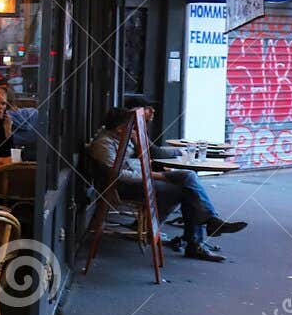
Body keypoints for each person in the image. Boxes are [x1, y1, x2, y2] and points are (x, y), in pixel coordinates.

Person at [89, 107, 246, 262]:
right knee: (186, 190)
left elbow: (149, 154)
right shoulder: (104, 144)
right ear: (120, 129)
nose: (135, 129)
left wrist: (138, 143)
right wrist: (158, 175)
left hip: (140, 178)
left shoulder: (123, 138)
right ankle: (200, 237)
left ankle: (207, 226)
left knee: (189, 177)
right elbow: (120, 175)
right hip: (125, 187)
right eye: (131, 126)